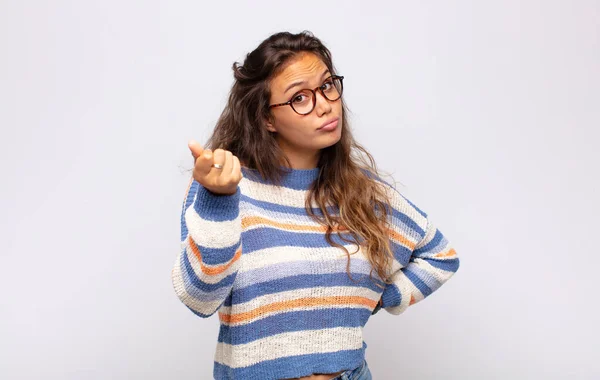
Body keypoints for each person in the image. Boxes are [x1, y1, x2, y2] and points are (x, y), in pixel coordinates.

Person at [171, 30, 460, 380]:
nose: (324, 104)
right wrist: (217, 200)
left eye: (326, 86)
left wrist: (380, 297)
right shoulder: (227, 186)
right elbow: (200, 299)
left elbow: (440, 256)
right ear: (267, 118)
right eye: (300, 98)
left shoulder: (363, 192)